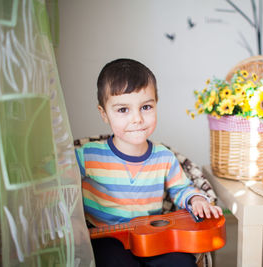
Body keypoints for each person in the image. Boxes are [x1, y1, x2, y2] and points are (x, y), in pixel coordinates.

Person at [75, 58, 223, 267]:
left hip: (150, 237)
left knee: (182, 262)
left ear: (156, 105)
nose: (137, 119)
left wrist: (195, 200)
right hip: (107, 238)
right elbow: (55, 177)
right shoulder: (87, 156)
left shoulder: (164, 157)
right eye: (123, 110)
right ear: (104, 114)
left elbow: (181, 188)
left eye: (145, 107)